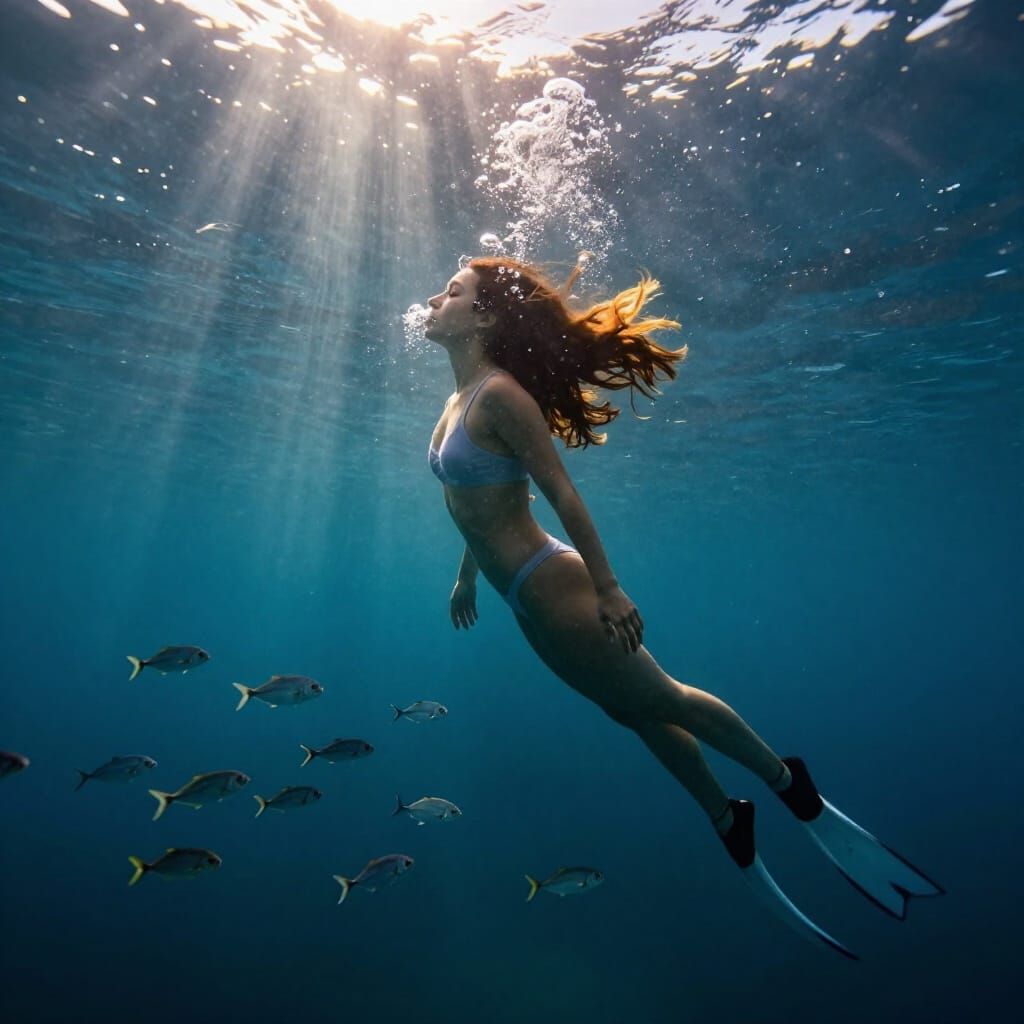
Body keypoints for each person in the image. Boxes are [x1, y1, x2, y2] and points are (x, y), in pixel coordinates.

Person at [424, 256, 943, 957]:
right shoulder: (458, 399)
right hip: (523, 599)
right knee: (629, 710)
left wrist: (608, 586)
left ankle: (792, 787)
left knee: (664, 697)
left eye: (453, 291)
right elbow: (482, 503)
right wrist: (467, 575)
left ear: (483, 316)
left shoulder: (500, 396)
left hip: (558, 586)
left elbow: (560, 493)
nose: (435, 297)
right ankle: (726, 816)